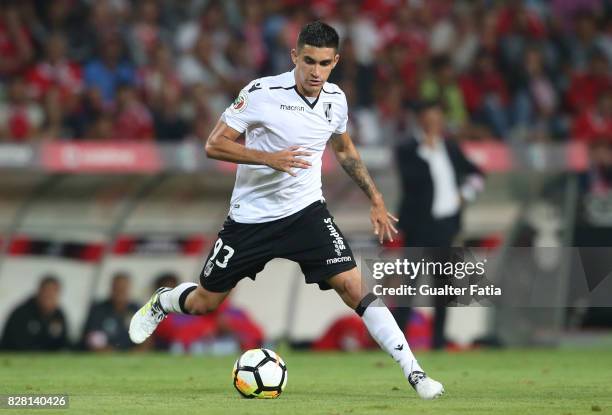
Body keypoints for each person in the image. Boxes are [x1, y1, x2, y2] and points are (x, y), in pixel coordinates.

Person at [129, 21, 444, 399]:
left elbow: (343, 149)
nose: (315, 71)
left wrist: (375, 197)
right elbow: (214, 145)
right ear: (294, 55)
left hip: (306, 213)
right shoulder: (261, 92)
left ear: (335, 62)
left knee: (353, 287)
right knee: (204, 303)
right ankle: (164, 300)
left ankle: (415, 373)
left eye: (324, 63)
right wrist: (268, 158)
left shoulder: (335, 100)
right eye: (308, 61)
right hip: (251, 219)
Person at [395, 100, 485, 349]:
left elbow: (477, 173)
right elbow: (411, 181)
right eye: (429, 117)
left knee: (443, 289)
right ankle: (397, 342)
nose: (434, 123)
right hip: (418, 227)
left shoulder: (451, 148)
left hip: (445, 227)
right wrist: (427, 150)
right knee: (408, 288)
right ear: (420, 120)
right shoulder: (408, 149)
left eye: (437, 117)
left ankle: (438, 342)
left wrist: (465, 195)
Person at [0, 275, 68, 351]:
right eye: (47, 292)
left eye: (53, 293)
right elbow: (15, 344)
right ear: (39, 291)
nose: (49, 296)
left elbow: (64, 343)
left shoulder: (59, 315)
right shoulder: (21, 314)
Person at [81, 272, 140, 351]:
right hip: (104, 356)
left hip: (130, 355)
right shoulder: (98, 309)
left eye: (123, 288)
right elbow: (91, 338)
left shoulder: (136, 310)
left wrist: (135, 352)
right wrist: (108, 352)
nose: (120, 292)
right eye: (117, 288)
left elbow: (147, 339)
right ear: (111, 288)